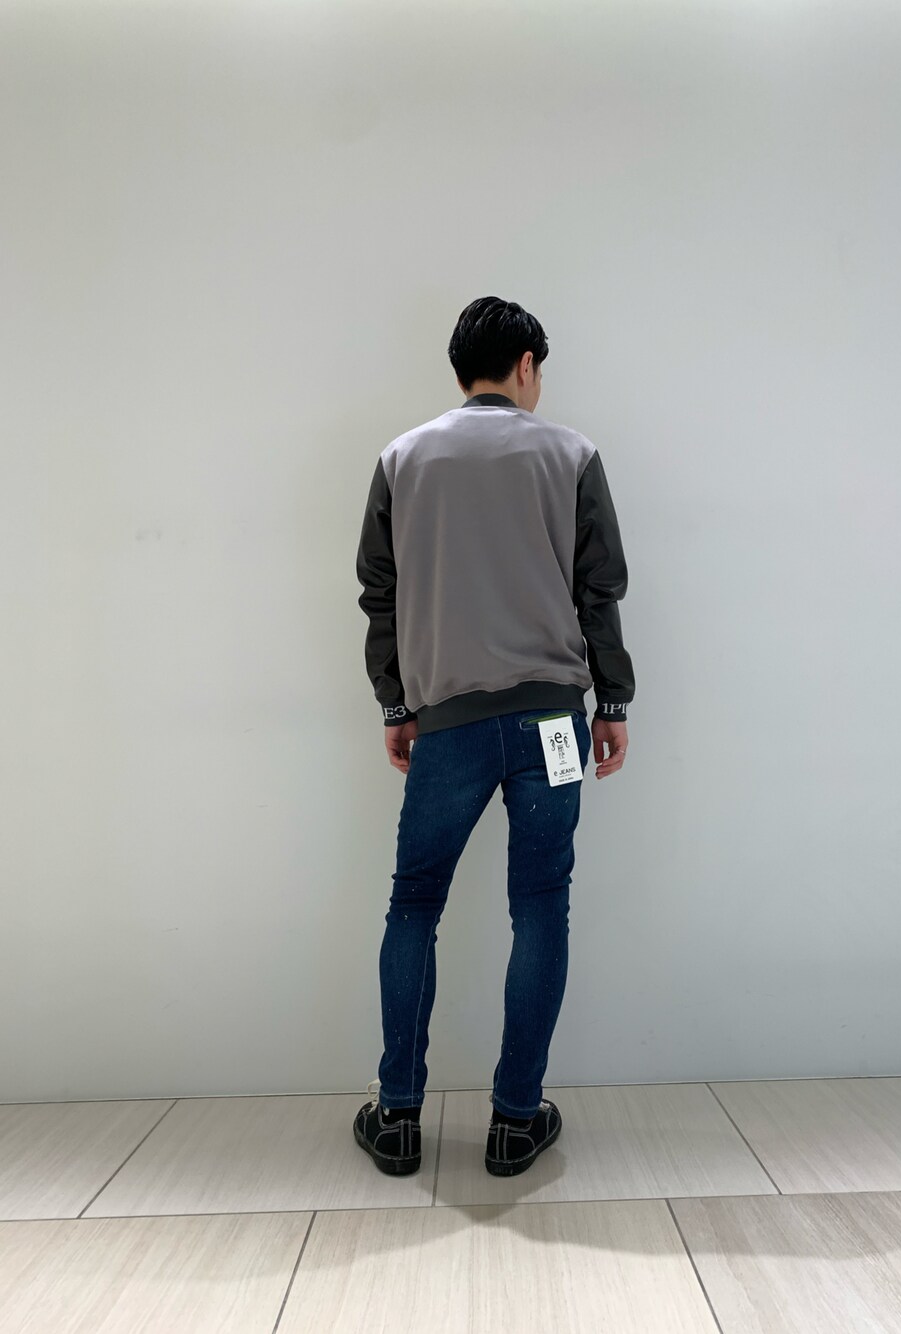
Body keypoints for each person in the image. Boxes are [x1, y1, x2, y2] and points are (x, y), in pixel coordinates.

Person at [352, 296, 634, 1178]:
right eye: (538, 370)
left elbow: (380, 595)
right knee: (541, 905)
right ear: (525, 365)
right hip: (552, 719)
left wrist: (396, 707)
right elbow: (599, 591)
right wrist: (613, 702)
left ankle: (398, 1115)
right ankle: (515, 1120)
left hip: (448, 724)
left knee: (414, 904)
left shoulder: (402, 458)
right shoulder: (572, 455)